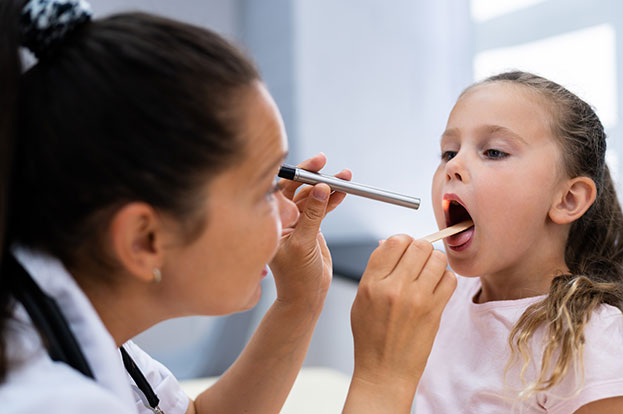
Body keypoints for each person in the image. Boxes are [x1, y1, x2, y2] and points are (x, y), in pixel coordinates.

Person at [0, 0, 456, 412]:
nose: (291, 213)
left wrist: (301, 300)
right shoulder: (45, 399)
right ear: (145, 239)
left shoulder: (66, 319)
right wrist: (384, 378)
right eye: (263, 192)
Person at [415, 71, 623, 413]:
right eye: (448, 152)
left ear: (568, 199)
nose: (455, 167)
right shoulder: (445, 298)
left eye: (494, 152)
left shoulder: (590, 342)